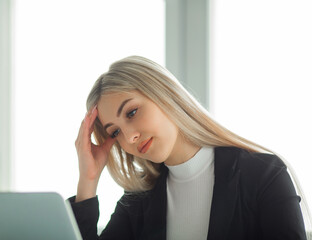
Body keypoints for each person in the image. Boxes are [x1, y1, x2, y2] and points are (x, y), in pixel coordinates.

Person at [69, 56, 308, 239]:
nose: (130, 137)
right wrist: (88, 181)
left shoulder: (263, 175)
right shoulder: (139, 200)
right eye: (115, 132)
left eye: (132, 112)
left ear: (163, 93)